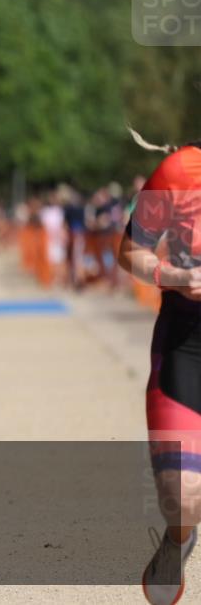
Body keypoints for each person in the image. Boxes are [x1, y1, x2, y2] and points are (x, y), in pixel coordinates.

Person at [116, 134, 201, 605]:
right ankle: (179, 536)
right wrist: (174, 276)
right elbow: (130, 251)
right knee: (182, 501)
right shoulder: (179, 172)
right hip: (189, 344)